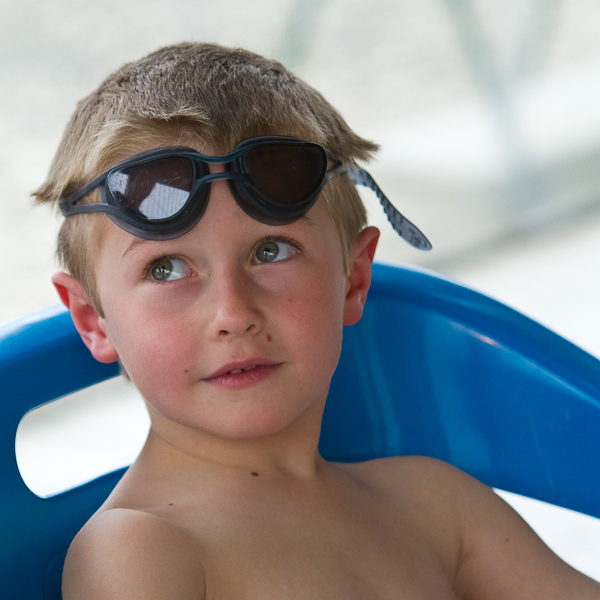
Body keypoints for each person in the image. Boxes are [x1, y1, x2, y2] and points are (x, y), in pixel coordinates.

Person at [36, 42, 599, 599]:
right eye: (166, 269)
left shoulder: (436, 507)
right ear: (93, 319)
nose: (233, 314)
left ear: (352, 279)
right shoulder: (141, 552)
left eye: (271, 251)